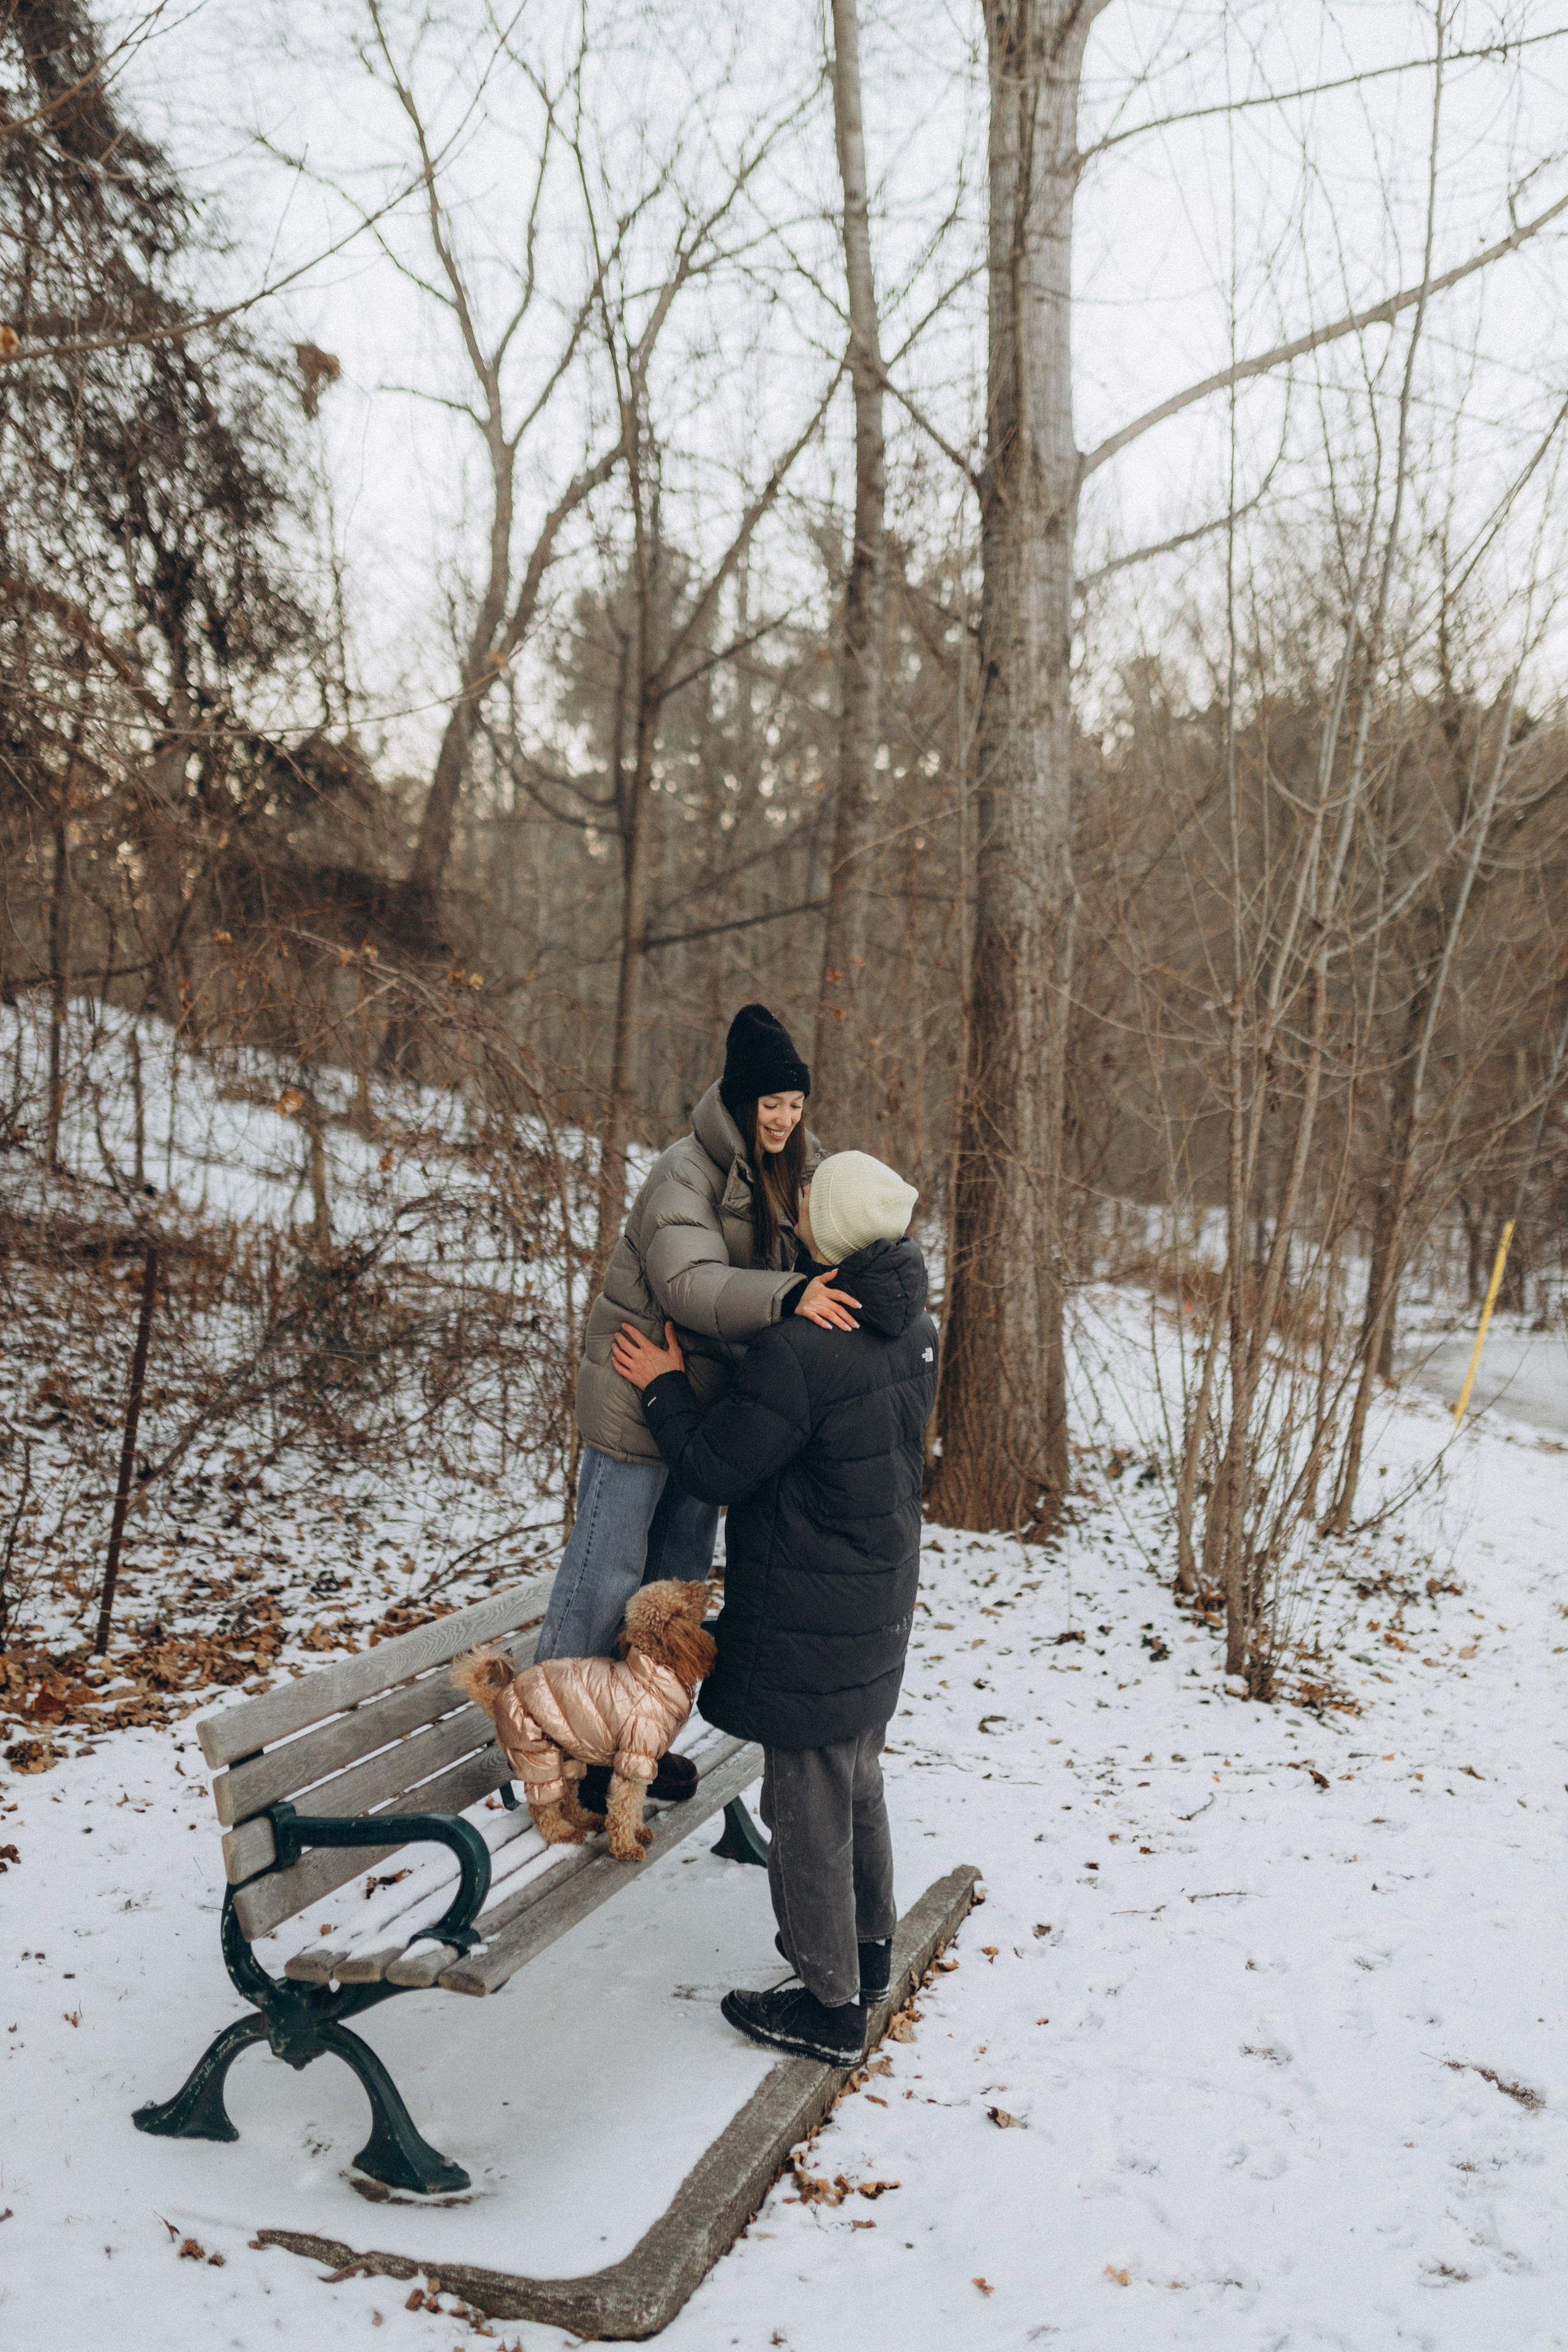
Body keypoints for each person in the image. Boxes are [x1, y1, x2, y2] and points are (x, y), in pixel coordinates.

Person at [611, 1148, 937, 2065]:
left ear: (825, 1234)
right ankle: (869, 1958)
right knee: (856, 1779)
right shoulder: (918, 1328)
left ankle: (830, 2005)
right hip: (877, 1595)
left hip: (810, 1607)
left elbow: (716, 1465)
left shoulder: (806, 1348)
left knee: (805, 1805)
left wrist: (663, 1387)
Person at [533, 1005, 859, 1808]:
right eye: (770, 1103)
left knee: (671, 1591)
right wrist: (791, 1298)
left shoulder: (795, 1171)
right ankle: (547, 1748)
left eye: (795, 1103)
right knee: (605, 1574)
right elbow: (687, 1284)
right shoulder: (685, 1171)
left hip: (701, 1411)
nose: (784, 1118)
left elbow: (833, 1246)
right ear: (741, 1100)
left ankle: (628, 1744)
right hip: (635, 1391)